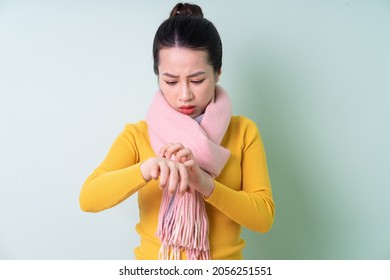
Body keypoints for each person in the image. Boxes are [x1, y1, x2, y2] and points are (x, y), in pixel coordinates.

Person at [79, 2, 275, 260]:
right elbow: (89, 198)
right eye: (170, 81)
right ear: (157, 75)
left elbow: (263, 218)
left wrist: (206, 185)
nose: (184, 94)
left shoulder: (243, 132)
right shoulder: (138, 135)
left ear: (217, 73)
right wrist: (146, 169)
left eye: (197, 80)